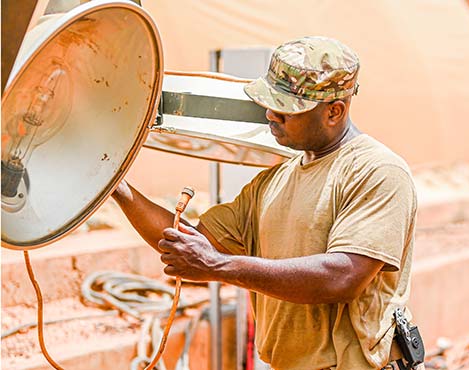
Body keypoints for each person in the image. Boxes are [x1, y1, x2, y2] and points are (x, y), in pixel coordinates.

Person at [113, 36, 417, 370]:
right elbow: (189, 242)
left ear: (334, 111)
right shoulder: (273, 181)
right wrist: (116, 186)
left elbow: (342, 276)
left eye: (286, 108)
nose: (271, 114)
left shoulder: (376, 171)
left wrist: (218, 266)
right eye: (269, 101)